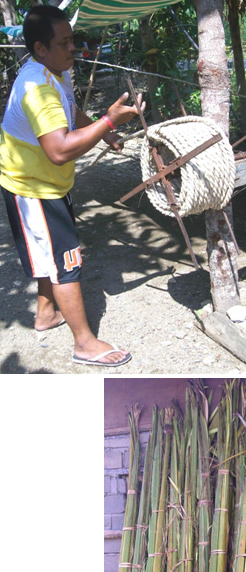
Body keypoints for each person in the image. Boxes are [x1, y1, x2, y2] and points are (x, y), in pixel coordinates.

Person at [0, 5, 145, 367]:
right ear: (40, 49)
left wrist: (101, 131)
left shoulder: (55, 72)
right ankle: (84, 343)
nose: (74, 50)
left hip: (46, 183)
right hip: (32, 189)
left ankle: (47, 313)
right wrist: (109, 123)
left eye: (72, 40)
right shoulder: (38, 89)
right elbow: (60, 150)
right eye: (64, 43)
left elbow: (70, 111)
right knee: (66, 260)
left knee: (53, 252)